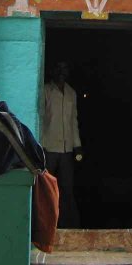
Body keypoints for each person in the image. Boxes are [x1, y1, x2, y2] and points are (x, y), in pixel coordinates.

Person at [42, 61, 83, 228]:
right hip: (48, 147)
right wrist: (41, 144)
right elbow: (42, 118)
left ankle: (68, 225)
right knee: (47, 188)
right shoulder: (45, 91)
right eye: (58, 68)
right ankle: (46, 225)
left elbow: (73, 120)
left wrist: (77, 145)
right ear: (52, 71)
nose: (61, 72)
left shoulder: (71, 93)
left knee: (67, 188)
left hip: (66, 149)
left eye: (64, 69)